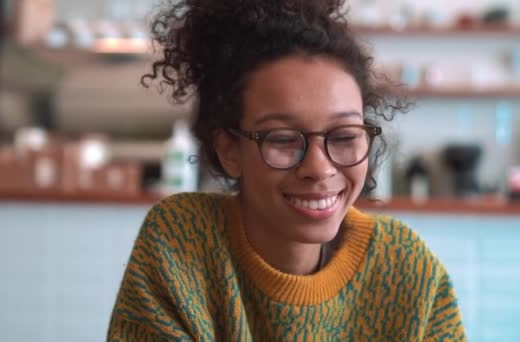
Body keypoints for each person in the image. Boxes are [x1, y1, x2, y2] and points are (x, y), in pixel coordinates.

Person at [107, 0, 467, 340]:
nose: (318, 168)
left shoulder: (407, 269)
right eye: (283, 140)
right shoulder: (180, 244)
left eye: (343, 136)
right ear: (229, 150)